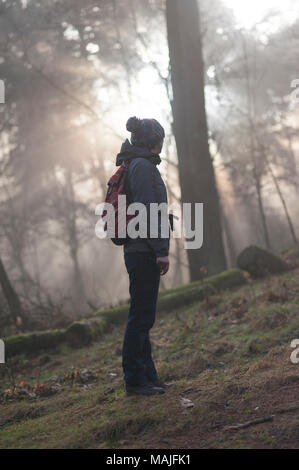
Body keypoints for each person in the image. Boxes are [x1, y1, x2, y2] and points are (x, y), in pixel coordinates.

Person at [116, 116, 170, 396]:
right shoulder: (142, 167)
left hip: (139, 248)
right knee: (140, 317)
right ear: (154, 141)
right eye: (160, 139)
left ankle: (148, 376)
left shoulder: (136, 165)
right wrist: (161, 251)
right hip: (144, 250)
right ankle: (136, 380)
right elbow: (150, 212)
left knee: (143, 317)